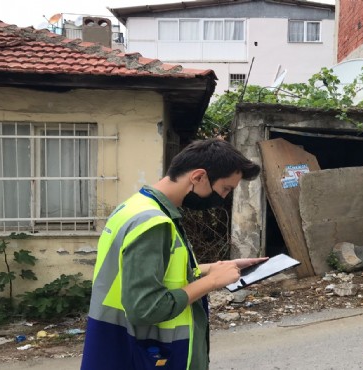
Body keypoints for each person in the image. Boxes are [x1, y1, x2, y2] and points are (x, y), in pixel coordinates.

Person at [81, 139, 267, 370]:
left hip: (117, 342)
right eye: (225, 189)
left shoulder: (135, 207)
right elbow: (146, 307)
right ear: (198, 177)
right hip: (147, 350)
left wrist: (215, 267)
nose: (224, 197)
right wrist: (212, 282)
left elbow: (152, 269)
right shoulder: (153, 223)